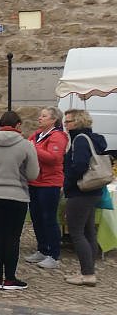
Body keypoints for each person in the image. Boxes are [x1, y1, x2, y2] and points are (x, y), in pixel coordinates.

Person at [0, 111, 39, 290]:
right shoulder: (26, 146)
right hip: (17, 196)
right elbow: (33, 174)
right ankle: (10, 278)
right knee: (12, 237)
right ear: (18, 125)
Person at [62, 109, 108, 286]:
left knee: (77, 232)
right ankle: (88, 269)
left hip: (80, 191)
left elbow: (79, 166)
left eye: (69, 121)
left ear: (78, 122)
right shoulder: (94, 138)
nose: (66, 125)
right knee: (89, 232)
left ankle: (88, 274)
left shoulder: (80, 140)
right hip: (93, 191)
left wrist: (69, 183)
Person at [25, 106, 67, 269]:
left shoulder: (58, 136)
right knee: (36, 217)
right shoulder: (36, 135)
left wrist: (32, 149)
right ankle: (42, 249)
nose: (40, 118)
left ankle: (54, 254)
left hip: (49, 183)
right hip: (34, 181)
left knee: (49, 218)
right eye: (40, 115)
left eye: (44, 116)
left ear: (53, 120)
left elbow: (54, 158)